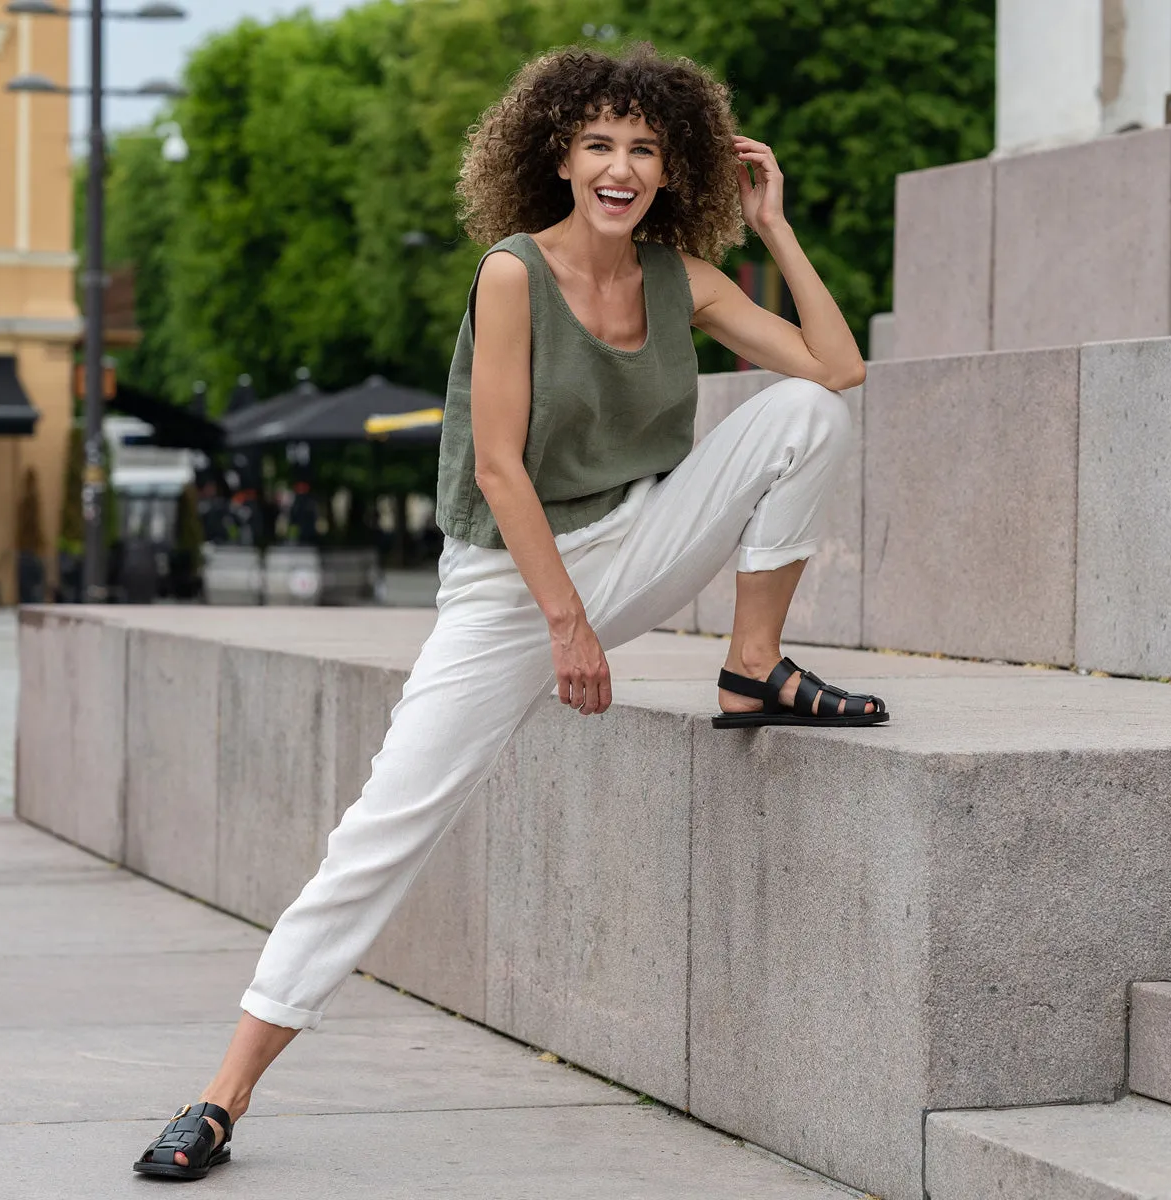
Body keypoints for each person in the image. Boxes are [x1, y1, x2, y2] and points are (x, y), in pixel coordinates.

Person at [132, 42, 888, 1181]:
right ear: (559, 157)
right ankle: (221, 1097)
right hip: (505, 588)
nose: (621, 167)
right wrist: (566, 627)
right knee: (381, 832)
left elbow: (838, 370)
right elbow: (496, 465)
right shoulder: (512, 273)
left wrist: (772, 225)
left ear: (674, 166)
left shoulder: (686, 275)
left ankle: (753, 665)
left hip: (636, 538)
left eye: (642, 147)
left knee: (806, 419)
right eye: (598, 145)